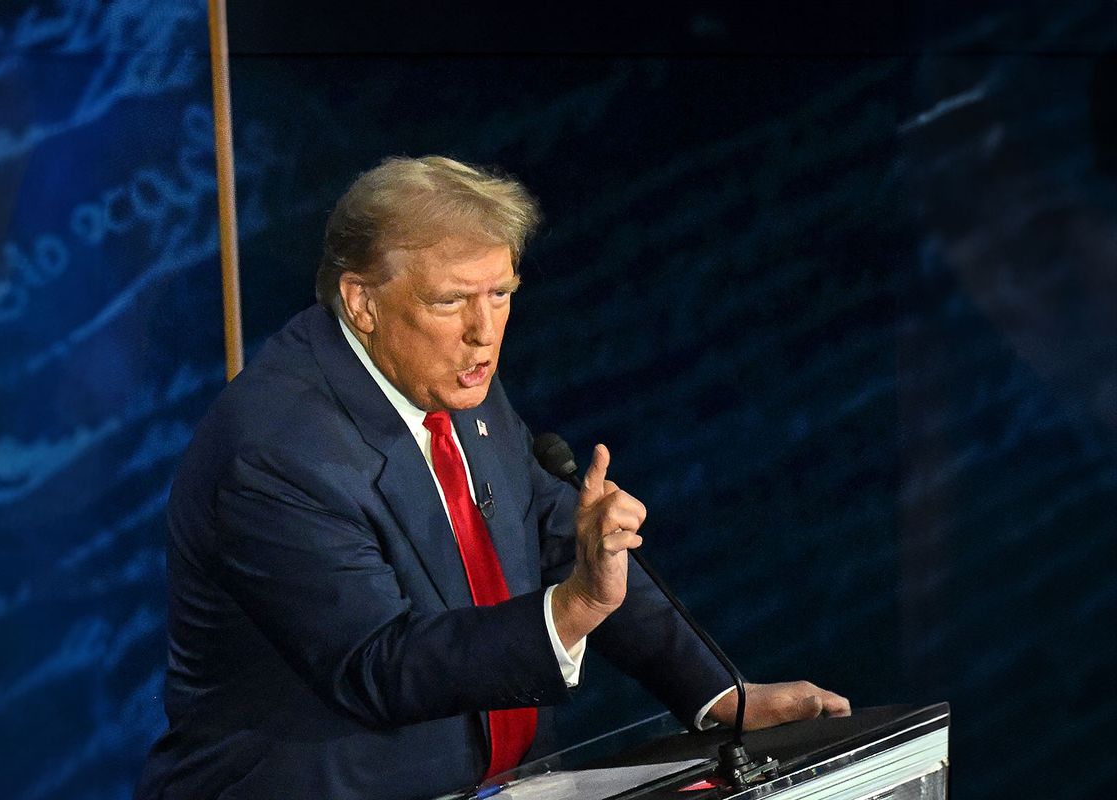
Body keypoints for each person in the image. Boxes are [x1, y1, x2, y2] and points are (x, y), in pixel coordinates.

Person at [135, 156, 849, 800]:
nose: (485, 331)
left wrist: (720, 695)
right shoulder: (274, 453)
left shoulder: (449, 378)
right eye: (451, 301)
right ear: (362, 301)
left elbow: (553, 531)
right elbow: (381, 665)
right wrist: (570, 610)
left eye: (500, 294)